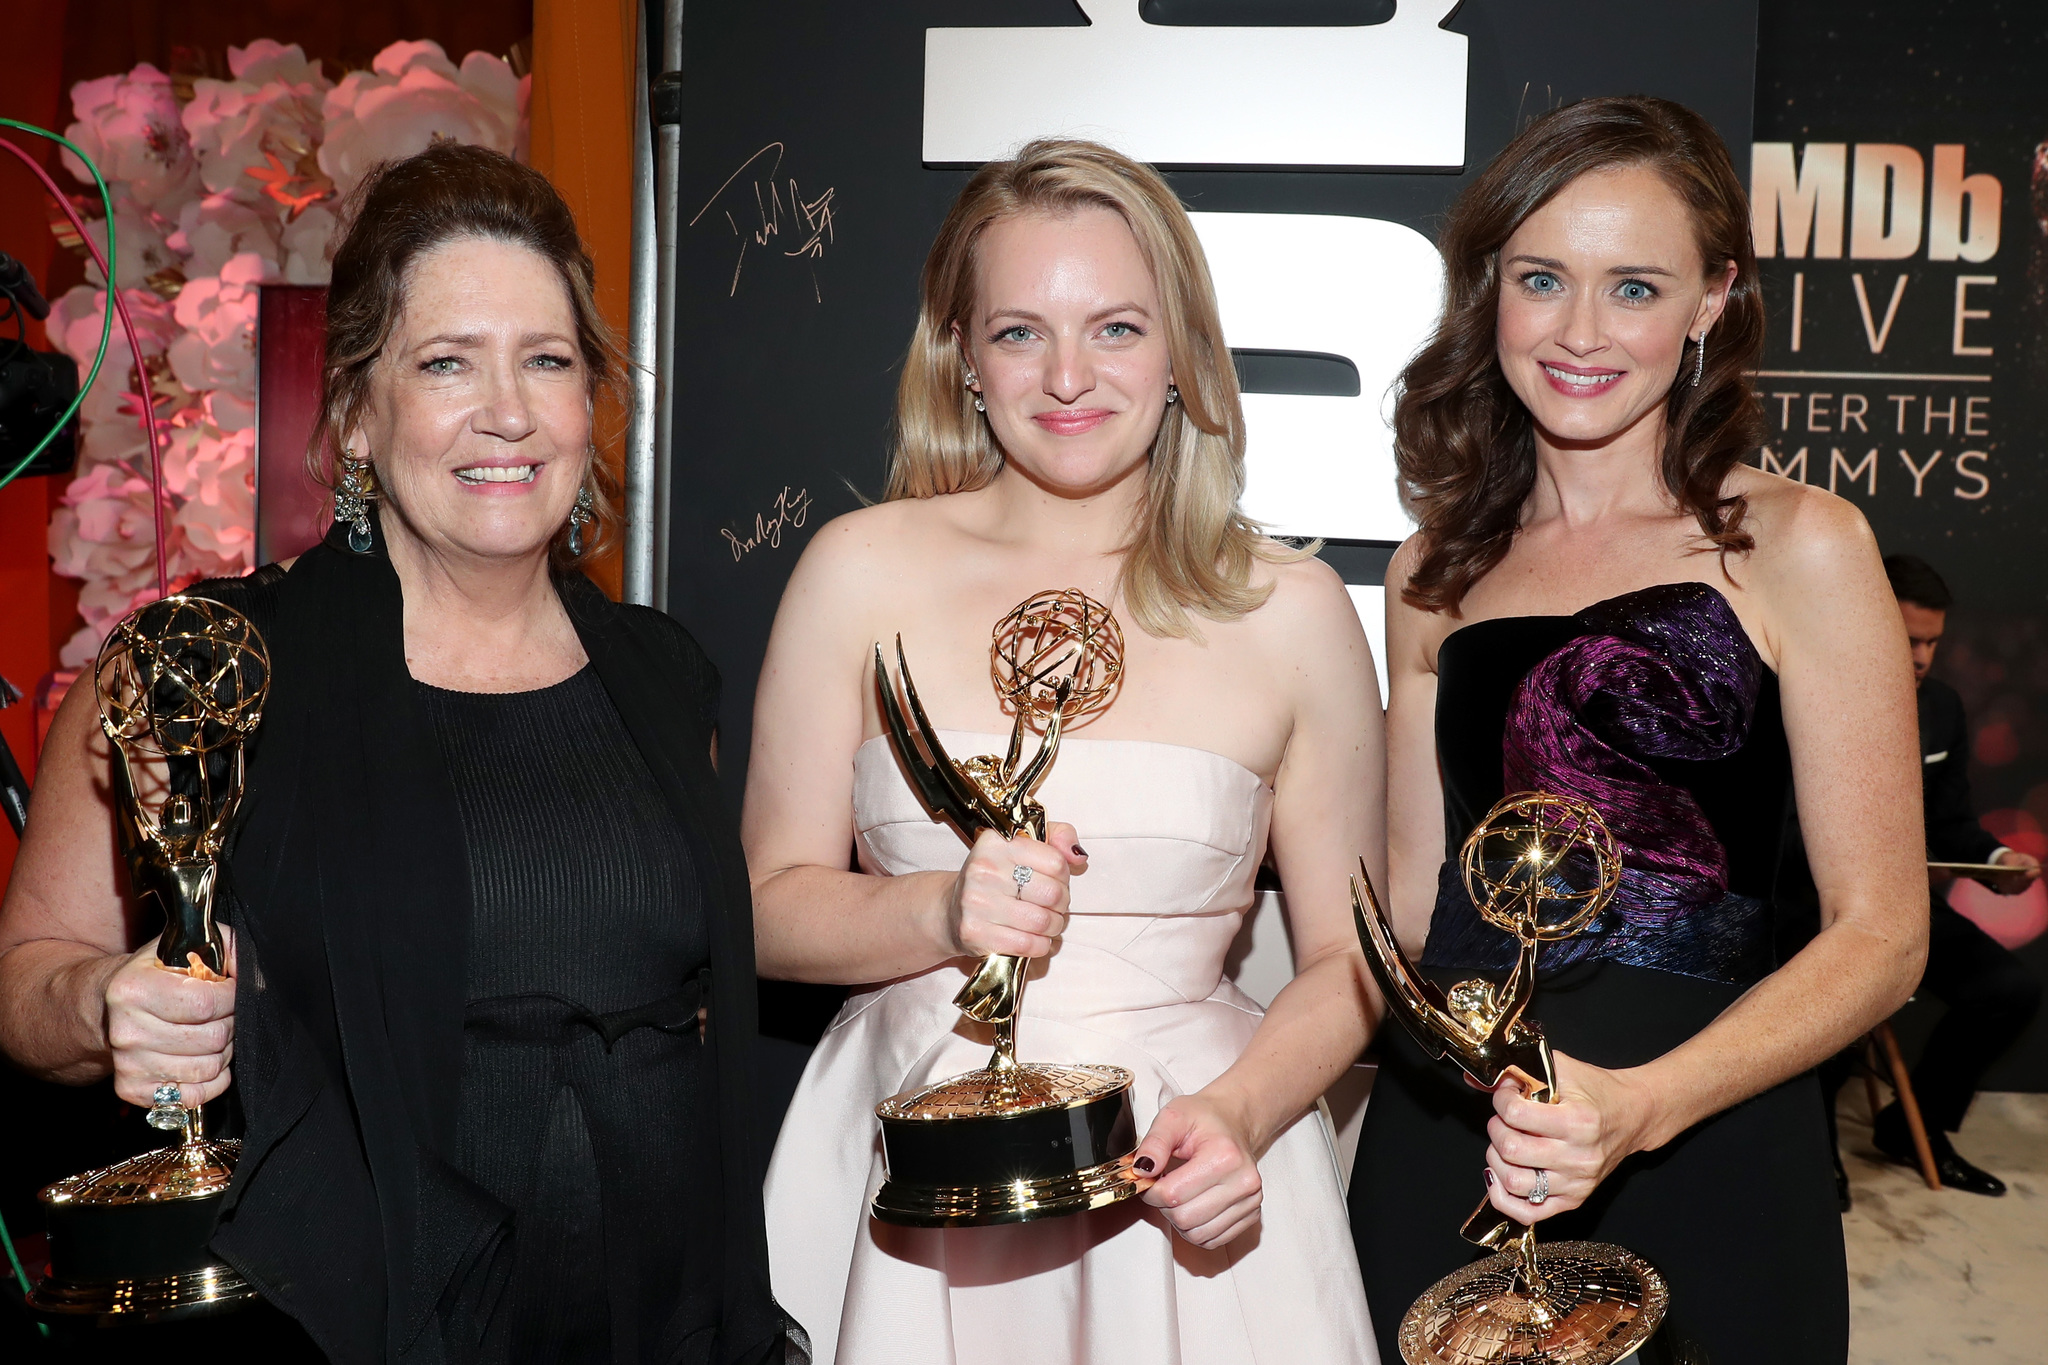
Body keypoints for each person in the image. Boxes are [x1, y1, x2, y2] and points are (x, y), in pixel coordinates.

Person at [0, 143, 801, 1365]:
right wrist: (107, 1005)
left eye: (547, 360)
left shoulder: (663, 673)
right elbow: (29, 983)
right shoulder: (203, 667)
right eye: (445, 365)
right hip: (338, 1321)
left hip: (655, 1310)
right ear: (358, 419)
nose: (508, 412)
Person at [745, 139, 1382, 1363]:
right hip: (901, 1163)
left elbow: (1350, 964)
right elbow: (764, 907)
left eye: (1117, 328)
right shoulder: (855, 569)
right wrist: (941, 912)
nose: (1068, 376)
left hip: (1187, 1177)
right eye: (1021, 331)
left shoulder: (1290, 609)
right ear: (963, 358)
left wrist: (1238, 1119)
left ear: (1184, 354)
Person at [1348, 97, 1926, 1364]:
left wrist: (1642, 1106)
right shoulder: (1430, 567)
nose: (1577, 333)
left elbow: (1881, 936)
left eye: (1634, 288)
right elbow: (1402, 905)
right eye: (1541, 279)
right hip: (1451, 1138)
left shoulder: (1798, 545)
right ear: (1487, 286)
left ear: (1711, 299)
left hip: (1706, 1134)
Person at [1870, 553, 2042, 1192]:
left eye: (1932, 642)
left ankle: (1917, 1129)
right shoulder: (1809, 694)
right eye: (1907, 639)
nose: (1921, 657)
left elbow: (1953, 824)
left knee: (2009, 991)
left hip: (1905, 908)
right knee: (1833, 996)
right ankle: (1816, 1154)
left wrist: (1998, 863)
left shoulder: (1941, 708)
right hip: (1811, 910)